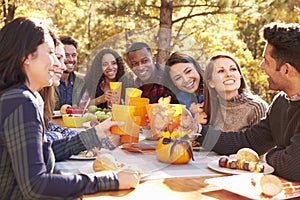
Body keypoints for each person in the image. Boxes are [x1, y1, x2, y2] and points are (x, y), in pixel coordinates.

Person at [0, 17, 139, 199]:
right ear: (25, 56)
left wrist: (94, 134)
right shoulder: (21, 101)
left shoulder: (23, 97)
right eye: (51, 53)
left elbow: (43, 154)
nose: (60, 64)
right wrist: (110, 180)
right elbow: (35, 186)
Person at [196, 22, 300, 182]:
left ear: (286, 70)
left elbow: (292, 167)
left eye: (266, 61)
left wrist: (270, 155)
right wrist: (197, 130)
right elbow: (248, 142)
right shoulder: (281, 101)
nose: (261, 67)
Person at [202, 53, 268, 132]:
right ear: (211, 83)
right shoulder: (208, 109)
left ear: (240, 75)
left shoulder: (256, 108)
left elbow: (264, 143)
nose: (229, 74)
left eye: (233, 69)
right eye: (221, 71)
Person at [54, 35, 84, 110]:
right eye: (66, 55)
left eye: (74, 55)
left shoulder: (80, 82)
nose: (71, 59)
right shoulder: (49, 81)